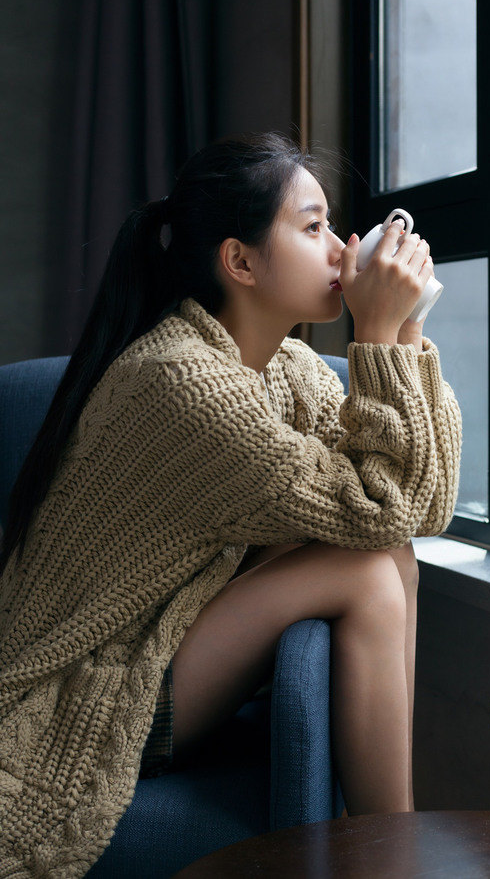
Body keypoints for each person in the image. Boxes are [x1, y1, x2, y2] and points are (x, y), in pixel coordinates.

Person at [0, 132, 461, 874]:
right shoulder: (183, 381)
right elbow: (383, 509)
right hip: (88, 691)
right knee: (369, 567)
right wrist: (376, 334)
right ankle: (391, 856)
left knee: (385, 554)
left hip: (172, 639)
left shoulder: (285, 366)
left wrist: (404, 329)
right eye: (312, 229)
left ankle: (387, 844)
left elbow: (420, 504)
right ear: (240, 261)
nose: (343, 250)